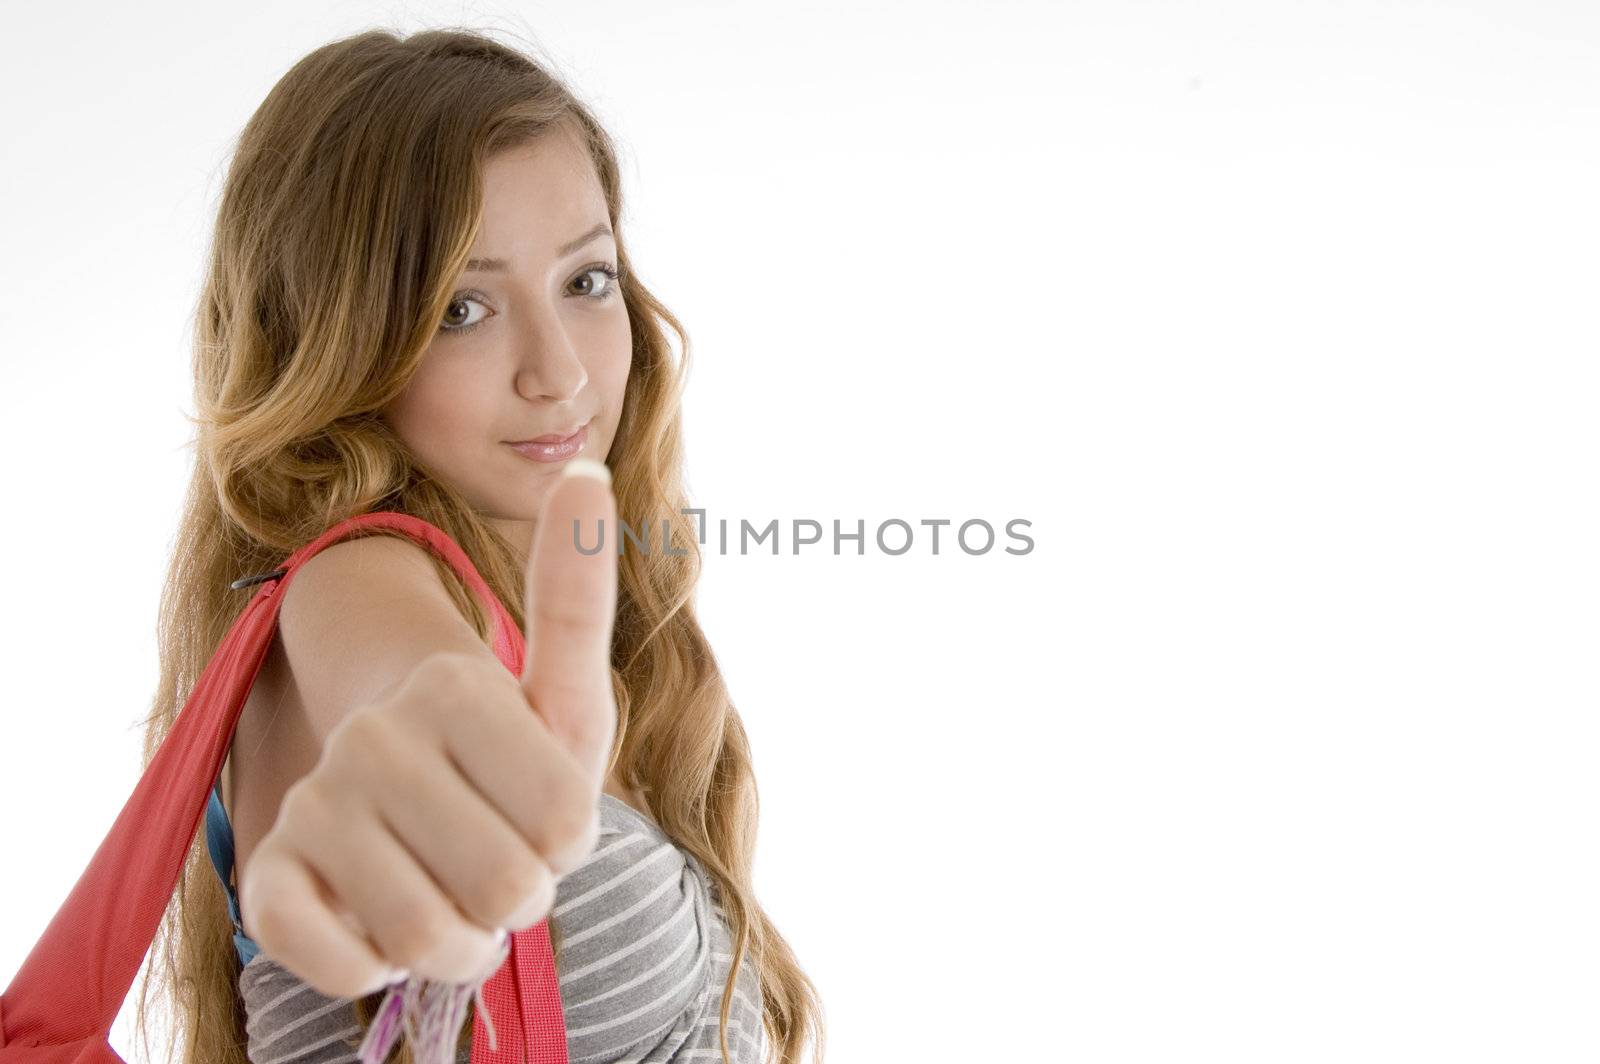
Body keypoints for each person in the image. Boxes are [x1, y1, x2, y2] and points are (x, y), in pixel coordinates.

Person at [131, 25, 824, 1064]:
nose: (559, 373)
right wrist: (419, 739)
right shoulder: (354, 577)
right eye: (462, 307)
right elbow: (398, 685)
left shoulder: (547, 607)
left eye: (585, 281)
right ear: (336, 342)